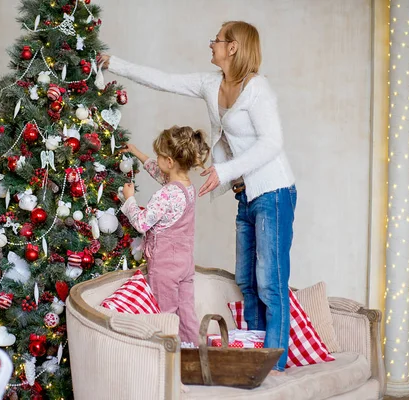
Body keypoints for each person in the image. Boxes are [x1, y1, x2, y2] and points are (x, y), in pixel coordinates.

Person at [101, 20, 296, 374]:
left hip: (274, 192)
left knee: (271, 283)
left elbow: (273, 143)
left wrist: (224, 171)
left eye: (217, 40)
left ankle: (274, 366)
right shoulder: (211, 84)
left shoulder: (258, 89)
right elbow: (163, 79)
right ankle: (249, 362)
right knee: (247, 283)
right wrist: (112, 63)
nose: (211, 44)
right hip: (246, 196)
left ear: (233, 47)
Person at [120, 125, 209, 346]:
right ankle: (196, 354)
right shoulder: (186, 188)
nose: (157, 160)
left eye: (159, 156)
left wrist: (129, 198)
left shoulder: (165, 194)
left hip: (165, 264)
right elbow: (159, 172)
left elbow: (141, 223)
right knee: (186, 311)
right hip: (185, 262)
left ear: (169, 162)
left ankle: (166, 360)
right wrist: (137, 152)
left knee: (164, 314)